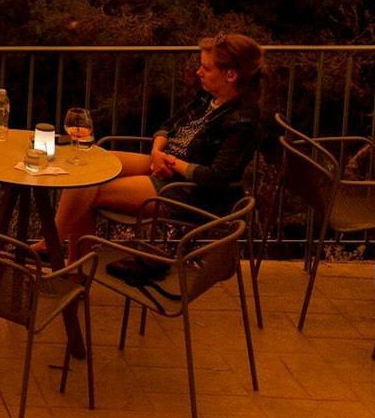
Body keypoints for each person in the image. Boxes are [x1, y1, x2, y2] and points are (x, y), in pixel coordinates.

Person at [54, 32, 265, 256]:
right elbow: (168, 125)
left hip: (187, 192)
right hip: (166, 164)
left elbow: (214, 176)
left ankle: (55, 249)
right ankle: (60, 251)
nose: (199, 72)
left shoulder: (242, 122)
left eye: (206, 68)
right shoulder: (207, 99)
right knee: (88, 164)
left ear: (231, 75)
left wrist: (170, 162)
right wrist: (156, 152)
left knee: (88, 191)